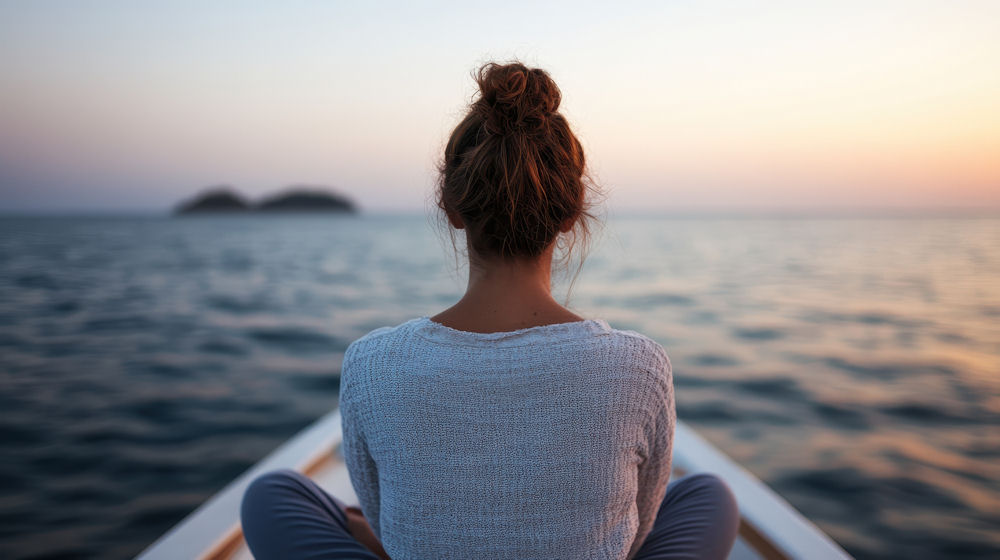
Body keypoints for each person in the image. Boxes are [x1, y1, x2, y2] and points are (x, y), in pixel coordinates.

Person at [241, 61, 739, 559]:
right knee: (709, 494)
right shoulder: (639, 367)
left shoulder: (373, 364)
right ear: (570, 214)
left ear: (452, 209)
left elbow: (380, 517)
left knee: (271, 495)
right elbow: (640, 531)